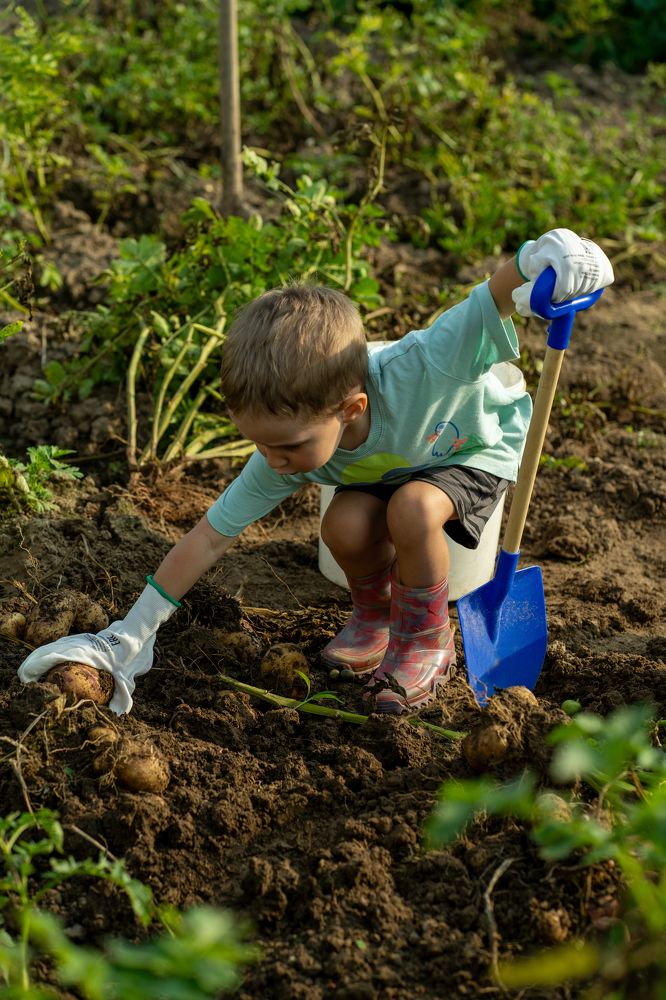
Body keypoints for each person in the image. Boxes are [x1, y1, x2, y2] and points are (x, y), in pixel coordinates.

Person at [18, 229, 613, 715]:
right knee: (344, 526)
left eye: (289, 447)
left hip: (470, 449)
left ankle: (426, 639)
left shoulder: (426, 365)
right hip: (392, 468)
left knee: (414, 507)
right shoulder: (285, 446)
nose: (273, 462)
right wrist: (130, 631)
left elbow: (491, 296)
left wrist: (540, 256)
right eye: (261, 445)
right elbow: (209, 535)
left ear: (351, 409)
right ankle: (376, 617)